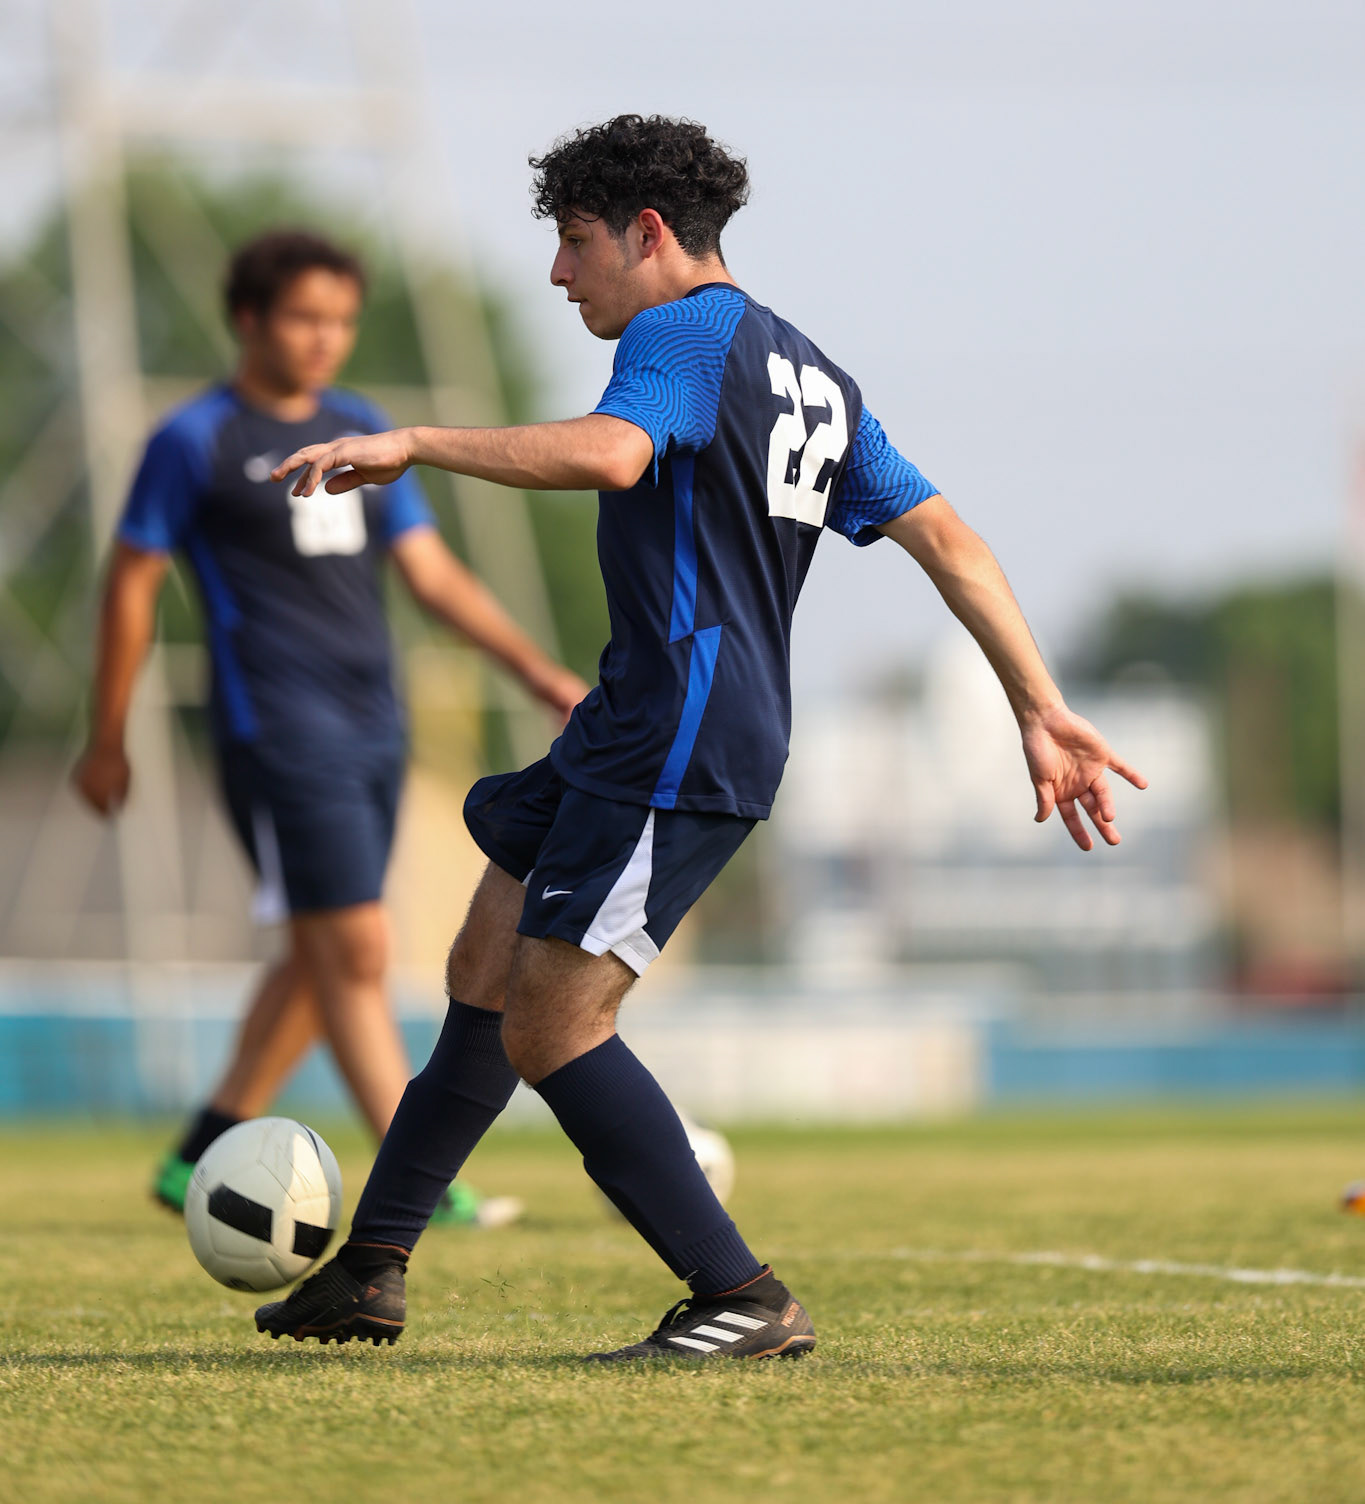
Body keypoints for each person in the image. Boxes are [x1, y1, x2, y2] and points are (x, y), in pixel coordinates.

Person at [254, 116, 1146, 1362]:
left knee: (552, 1023)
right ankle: (374, 1265)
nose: (561, 274)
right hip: (635, 716)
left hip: (678, 730)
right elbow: (952, 539)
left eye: (573, 243)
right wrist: (1039, 702)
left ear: (649, 233)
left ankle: (741, 1293)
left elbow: (614, 452)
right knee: (484, 958)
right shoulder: (811, 370)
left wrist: (413, 441)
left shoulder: (683, 330)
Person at [73, 228, 586, 1227]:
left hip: (372, 725)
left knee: (322, 947)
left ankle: (196, 1154)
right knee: (353, 944)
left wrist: (533, 668)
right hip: (276, 726)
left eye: (342, 319)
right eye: (306, 316)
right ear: (251, 319)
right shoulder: (194, 440)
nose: (326, 338)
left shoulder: (362, 424)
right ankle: (420, 1179)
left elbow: (431, 572)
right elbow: (130, 585)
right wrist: (107, 735)